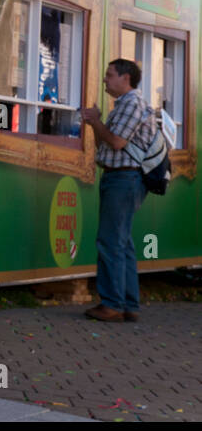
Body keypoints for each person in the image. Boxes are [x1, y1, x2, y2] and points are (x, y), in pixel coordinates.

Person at [81, 59, 155, 322]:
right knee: (122, 243)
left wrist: (95, 121)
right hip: (124, 179)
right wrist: (96, 123)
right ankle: (128, 304)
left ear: (126, 78)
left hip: (123, 179)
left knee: (110, 241)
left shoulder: (131, 105)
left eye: (109, 75)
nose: (105, 80)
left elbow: (115, 141)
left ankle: (112, 304)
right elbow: (109, 141)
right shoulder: (127, 105)